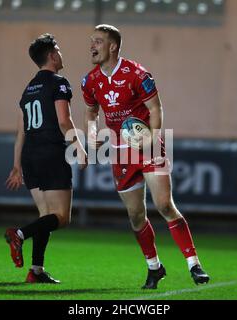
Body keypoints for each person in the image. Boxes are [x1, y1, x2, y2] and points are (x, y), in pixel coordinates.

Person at [81, 25, 210, 289]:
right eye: (91, 41)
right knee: (136, 215)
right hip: (119, 151)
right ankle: (154, 268)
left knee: (164, 205)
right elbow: (91, 112)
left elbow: (155, 108)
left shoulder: (137, 74)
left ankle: (194, 265)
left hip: (148, 145)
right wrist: (92, 132)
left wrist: (152, 139)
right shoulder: (90, 81)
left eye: (98, 41)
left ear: (113, 46)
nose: (92, 46)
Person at [5, 34, 87, 284]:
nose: (61, 54)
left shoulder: (28, 88)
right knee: (61, 218)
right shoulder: (59, 83)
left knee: (45, 216)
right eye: (59, 50)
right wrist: (79, 147)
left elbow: (21, 131)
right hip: (50, 152)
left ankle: (36, 271)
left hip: (30, 155)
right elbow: (64, 120)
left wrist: (17, 165)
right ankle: (19, 233)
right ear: (52, 55)